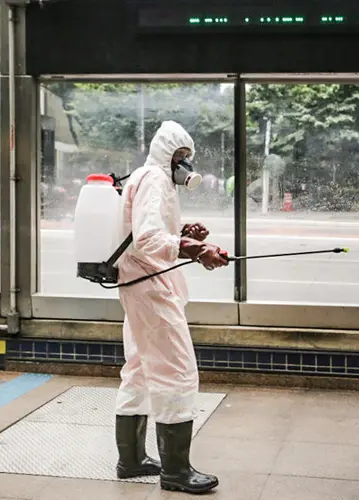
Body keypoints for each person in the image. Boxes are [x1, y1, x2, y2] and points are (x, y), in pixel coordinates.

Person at [113, 121, 229, 494]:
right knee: (177, 371)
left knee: (139, 369)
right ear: (167, 154)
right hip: (149, 287)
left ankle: (130, 461)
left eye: (188, 158)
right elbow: (147, 239)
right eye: (182, 156)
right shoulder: (156, 179)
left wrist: (184, 235)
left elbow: (146, 231)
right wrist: (196, 250)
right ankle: (176, 472)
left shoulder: (144, 178)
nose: (186, 165)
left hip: (137, 284)